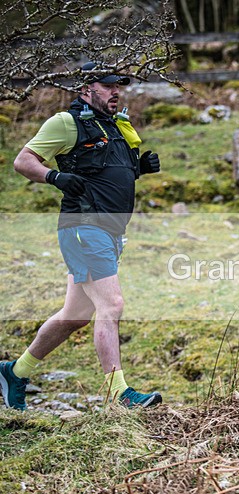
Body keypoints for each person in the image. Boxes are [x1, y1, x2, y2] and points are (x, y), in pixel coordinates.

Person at [0, 62, 163, 411]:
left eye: (119, 85)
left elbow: (105, 171)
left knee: (74, 315)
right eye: (107, 85)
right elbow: (23, 160)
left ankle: (15, 371)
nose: (115, 91)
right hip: (84, 227)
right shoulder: (65, 123)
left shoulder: (117, 125)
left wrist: (139, 168)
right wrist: (54, 178)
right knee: (112, 305)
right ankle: (119, 394)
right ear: (85, 89)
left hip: (111, 232)